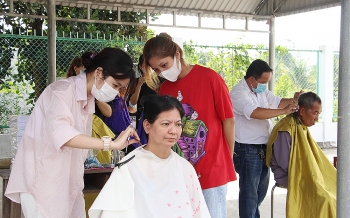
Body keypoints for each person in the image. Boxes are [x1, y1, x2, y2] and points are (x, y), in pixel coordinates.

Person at [5, 47, 140, 218]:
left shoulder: (89, 99)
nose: (115, 92)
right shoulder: (61, 91)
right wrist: (111, 144)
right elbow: (62, 134)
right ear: (99, 72)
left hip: (66, 183)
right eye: (115, 85)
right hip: (43, 184)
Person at [142, 33, 236, 218]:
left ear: (177, 54)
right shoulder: (165, 88)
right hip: (179, 172)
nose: (161, 72)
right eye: (156, 69)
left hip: (211, 170)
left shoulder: (210, 78)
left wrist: (228, 157)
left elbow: (229, 120)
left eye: (164, 65)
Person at [89, 95, 211, 218]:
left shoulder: (185, 168)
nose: (173, 131)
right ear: (147, 126)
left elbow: (198, 211)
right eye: (165, 124)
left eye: (178, 124)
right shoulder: (129, 166)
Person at [230, 59, 303, 218]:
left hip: (264, 148)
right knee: (250, 194)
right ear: (251, 79)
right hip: (247, 149)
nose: (265, 85)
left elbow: (277, 102)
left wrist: (294, 101)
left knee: (260, 192)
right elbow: (255, 112)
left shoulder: (261, 90)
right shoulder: (238, 93)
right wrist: (284, 111)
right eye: (263, 82)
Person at [266, 92, 336, 218]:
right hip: (288, 174)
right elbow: (285, 164)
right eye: (315, 113)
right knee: (326, 198)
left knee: (337, 187)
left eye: (318, 114)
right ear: (302, 111)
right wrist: (310, 171)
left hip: (305, 171)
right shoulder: (285, 129)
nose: (316, 118)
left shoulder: (301, 125)